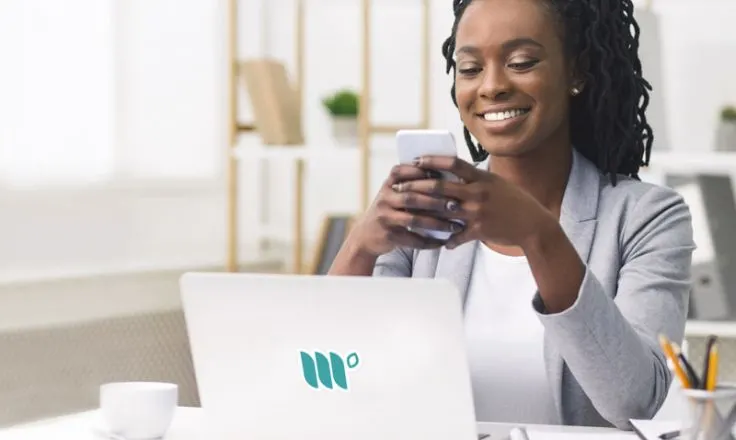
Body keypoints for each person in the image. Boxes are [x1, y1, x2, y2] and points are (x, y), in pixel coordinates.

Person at [328, 0, 696, 431]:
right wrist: (358, 246)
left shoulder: (647, 218)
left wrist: (539, 234)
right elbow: (336, 376)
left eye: (520, 62)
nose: (492, 86)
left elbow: (634, 400)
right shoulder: (423, 209)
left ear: (575, 72)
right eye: (469, 69)